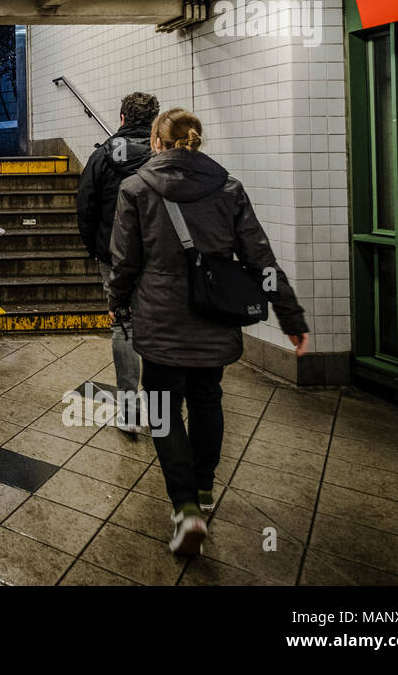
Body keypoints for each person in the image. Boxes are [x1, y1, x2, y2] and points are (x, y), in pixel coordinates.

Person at [108, 107, 310, 557]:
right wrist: (291, 318)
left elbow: (125, 261)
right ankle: (203, 489)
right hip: (215, 315)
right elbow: (261, 259)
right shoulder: (229, 189)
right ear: (197, 140)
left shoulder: (136, 188)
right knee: (207, 398)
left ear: (156, 143)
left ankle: (185, 509)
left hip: (160, 317)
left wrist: (118, 303)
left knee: (161, 406)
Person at [75, 91, 159, 435]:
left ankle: (129, 411)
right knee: (158, 325)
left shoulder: (102, 156)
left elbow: (86, 206)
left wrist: (96, 247)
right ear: (154, 121)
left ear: (122, 118)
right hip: (159, 256)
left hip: (114, 255)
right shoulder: (163, 155)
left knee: (122, 326)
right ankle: (159, 409)